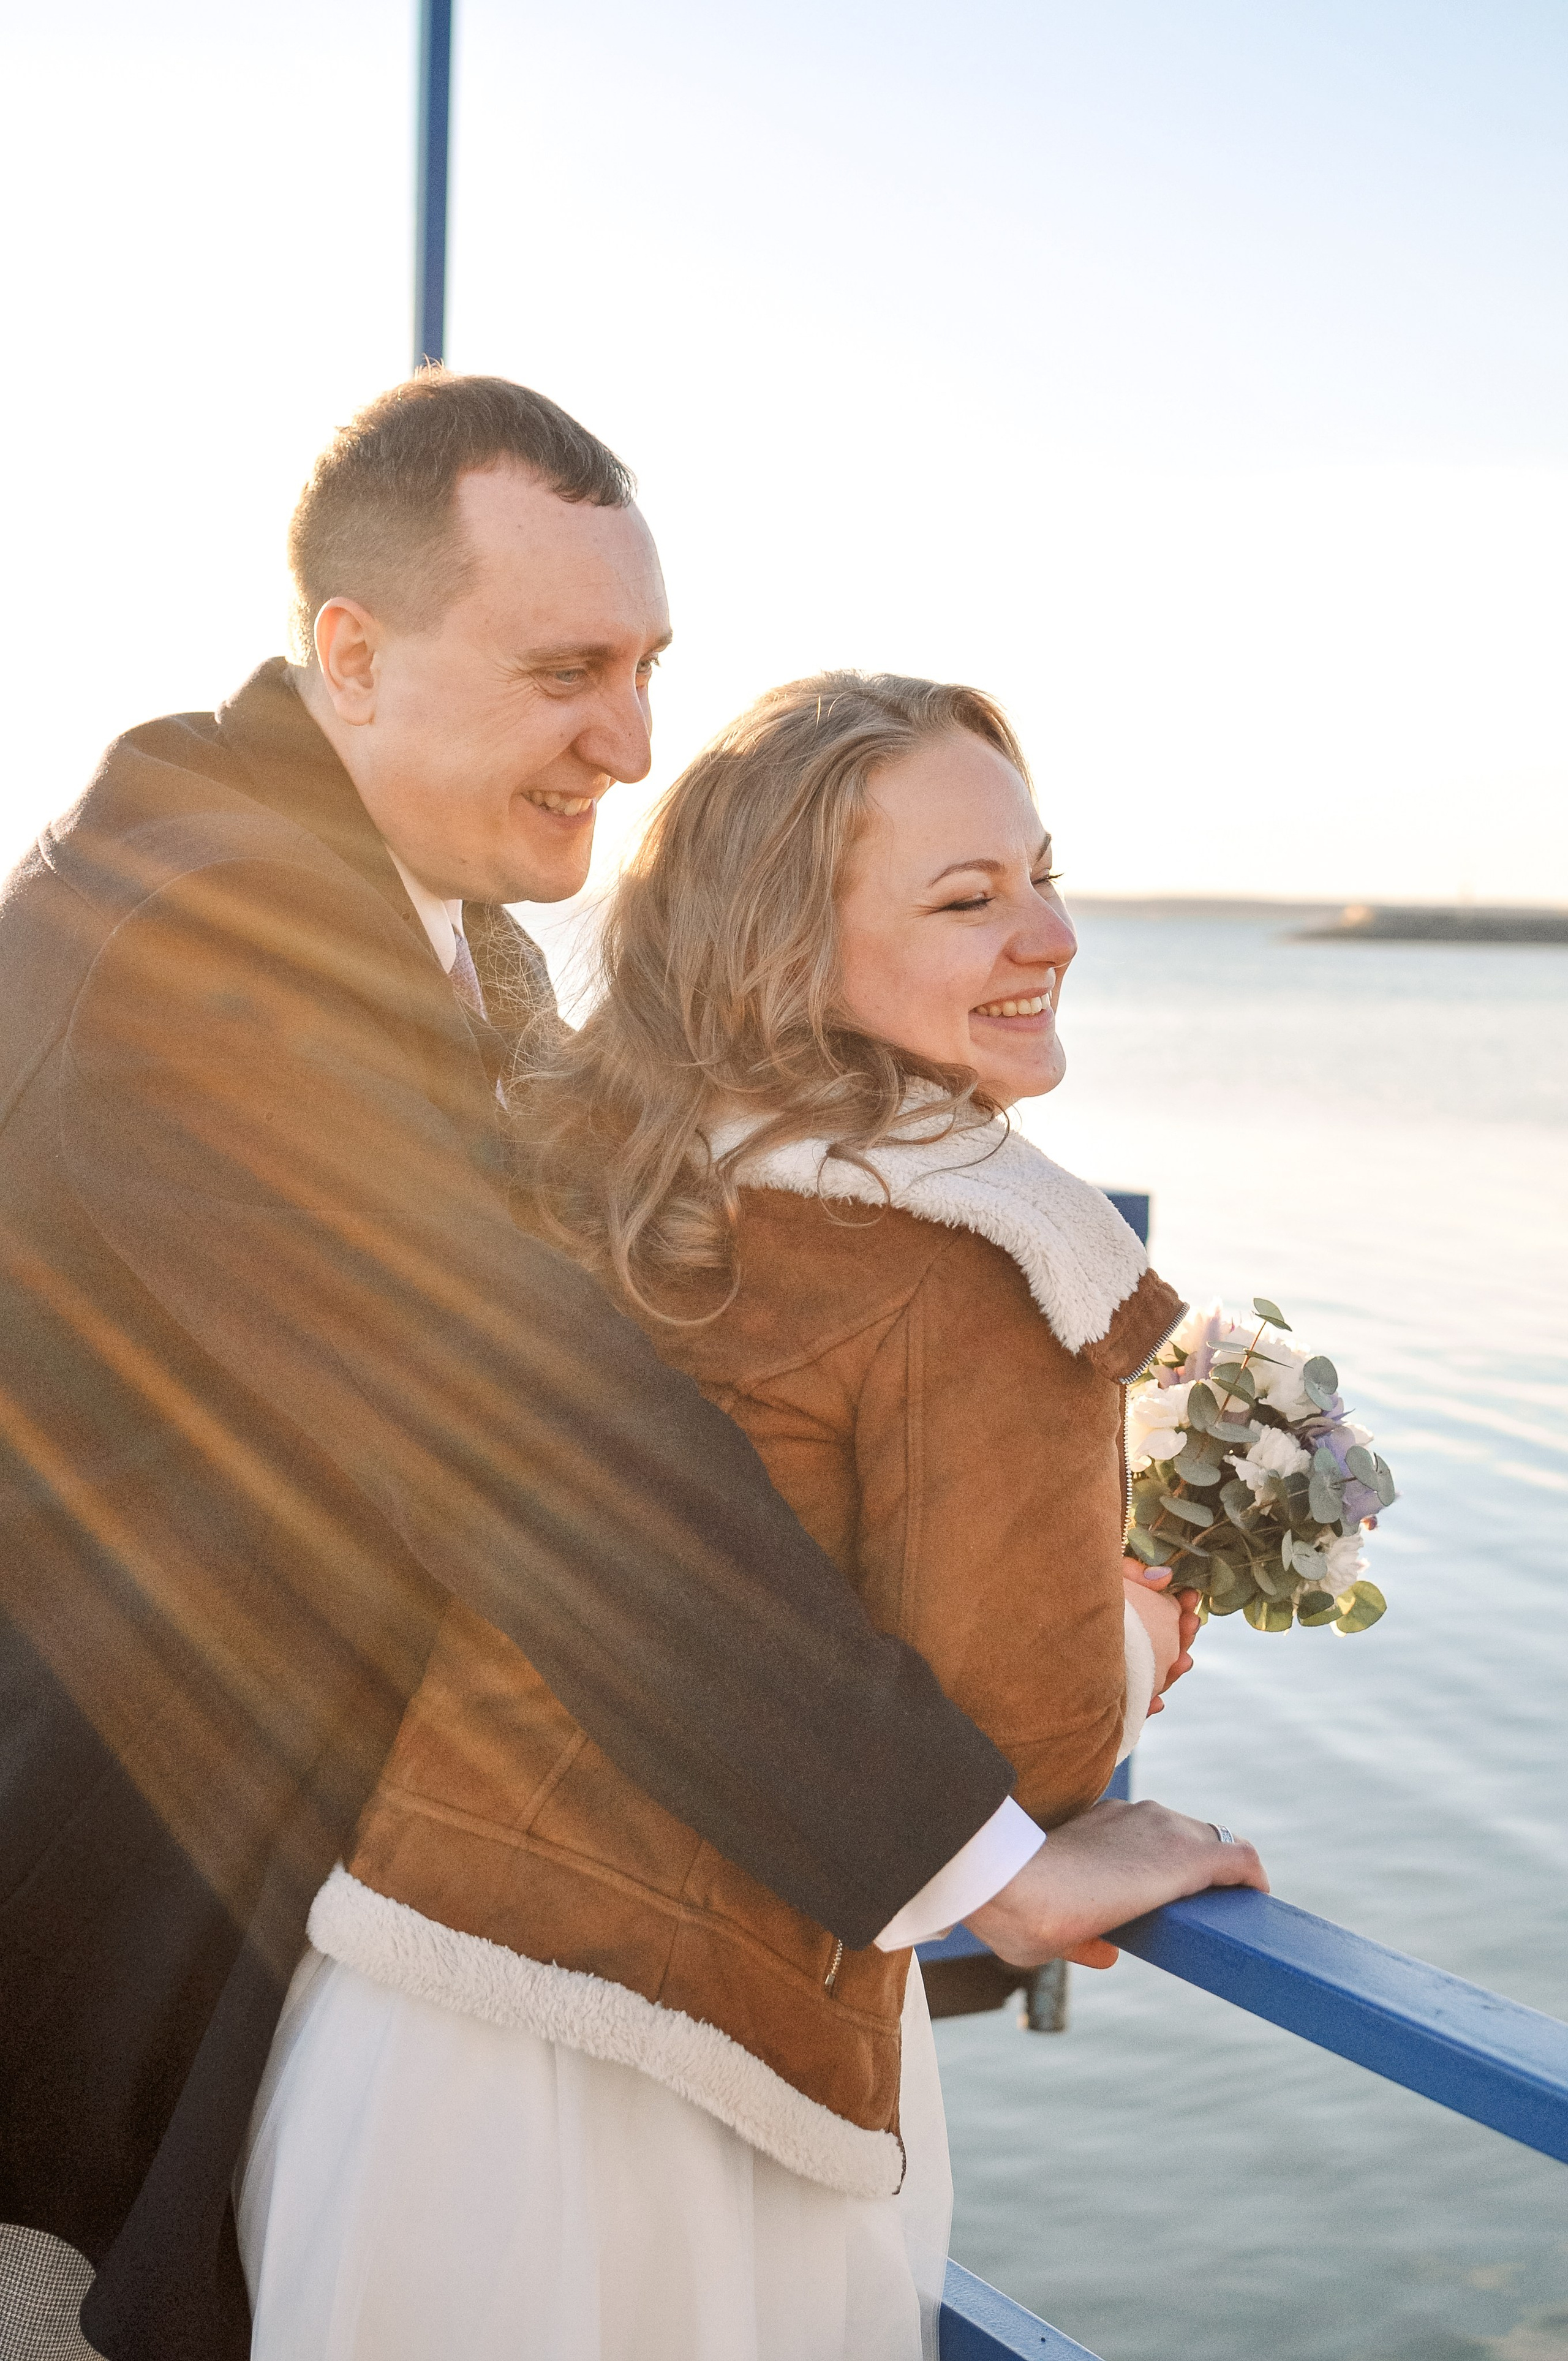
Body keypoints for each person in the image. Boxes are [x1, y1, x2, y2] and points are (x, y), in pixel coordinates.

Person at [0, 375, 1263, 2361]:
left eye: (653, 666)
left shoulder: (382, 910)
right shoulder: (201, 948)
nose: (634, 739)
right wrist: (981, 1859)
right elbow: (533, 1436)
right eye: (567, 669)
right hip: (98, 1949)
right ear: (353, 657)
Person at [235, 669, 1267, 2360]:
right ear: (790, 949)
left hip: (405, 2026)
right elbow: (1034, 1736)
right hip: (693, 2102)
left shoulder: (596, 1168)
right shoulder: (981, 1260)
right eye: (969, 898)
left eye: (1042, 873)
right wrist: (1152, 1606)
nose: (1051, 933)